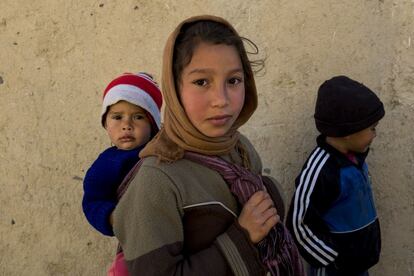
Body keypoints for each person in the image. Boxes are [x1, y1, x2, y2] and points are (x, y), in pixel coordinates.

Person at [112, 15, 304, 275]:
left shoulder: (241, 150)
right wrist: (243, 238)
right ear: (175, 88)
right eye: (202, 82)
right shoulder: (158, 181)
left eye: (233, 80)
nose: (221, 100)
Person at [286, 75, 385, 276]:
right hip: (333, 270)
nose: (375, 134)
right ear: (348, 131)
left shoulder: (355, 160)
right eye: (372, 128)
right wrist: (332, 259)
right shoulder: (322, 169)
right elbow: (298, 222)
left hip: (358, 267)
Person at [82, 72, 162, 236]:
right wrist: (113, 218)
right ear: (105, 123)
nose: (126, 125)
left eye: (138, 117)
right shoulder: (107, 163)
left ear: (152, 125)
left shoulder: (164, 149)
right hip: (137, 234)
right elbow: (93, 200)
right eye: (117, 117)